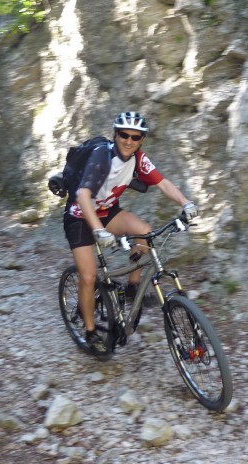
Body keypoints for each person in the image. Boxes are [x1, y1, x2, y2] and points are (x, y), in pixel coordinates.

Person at [63, 111, 198, 359]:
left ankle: (133, 287)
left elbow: (163, 183)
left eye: (135, 137)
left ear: (141, 140)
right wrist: (99, 231)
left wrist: (186, 203)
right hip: (80, 218)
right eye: (124, 135)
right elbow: (83, 196)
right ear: (116, 135)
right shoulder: (101, 157)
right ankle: (91, 331)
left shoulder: (138, 158)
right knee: (89, 275)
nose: (129, 141)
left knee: (144, 232)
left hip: (107, 212)